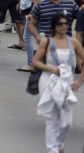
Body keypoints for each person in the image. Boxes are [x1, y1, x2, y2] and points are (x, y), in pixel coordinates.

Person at [32, 13, 84, 153]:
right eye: (60, 24)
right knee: (52, 118)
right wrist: (51, 69)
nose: (63, 26)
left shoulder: (73, 42)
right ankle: (52, 149)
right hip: (48, 80)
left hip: (67, 82)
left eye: (66, 23)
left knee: (67, 122)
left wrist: (79, 81)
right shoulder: (47, 42)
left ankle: (59, 144)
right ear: (54, 26)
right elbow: (35, 61)